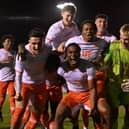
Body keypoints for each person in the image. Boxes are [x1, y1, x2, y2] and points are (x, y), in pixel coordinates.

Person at [65, 20, 110, 129]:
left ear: (95, 31)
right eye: (86, 29)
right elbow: (66, 55)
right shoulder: (73, 41)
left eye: (91, 29)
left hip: (93, 79)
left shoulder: (102, 42)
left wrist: (102, 66)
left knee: (95, 109)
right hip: (77, 79)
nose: (89, 31)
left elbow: (107, 57)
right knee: (74, 112)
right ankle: (76, 125)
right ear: (82, 31)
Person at [10, 28, 51, 129]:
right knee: (19, 112)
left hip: (41, 86)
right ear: (29, 41)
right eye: (33, 43)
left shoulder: (48, 48)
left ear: (43, 41)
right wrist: (18, 92)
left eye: (39, 43)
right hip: (25, 85)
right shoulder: (22, 53)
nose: (36, 47)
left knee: (35, 116)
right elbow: (18, 75)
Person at [55, 43, 96, 129]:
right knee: (58, 116)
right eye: (70, 52)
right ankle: (75, 123)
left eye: (76, 52)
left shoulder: (88, 66)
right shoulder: (61, 68)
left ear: (80, 53)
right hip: (72, 95)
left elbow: (92, 88)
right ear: (66, 54)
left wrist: (93, 105)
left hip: (87, 94)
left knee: (99, 114)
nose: (73, 55)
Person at [104, 24, 129, 129]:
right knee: (113, 112)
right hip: (113, 84)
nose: (124, 42)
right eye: (123, 38)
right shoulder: (113, 45)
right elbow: (105, 63)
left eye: (128, 40)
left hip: (127, 84)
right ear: (120, 35)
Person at [0, 34, 15, 122]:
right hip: (2, 79)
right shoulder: (0, 52)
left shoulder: (14, 52)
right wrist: (3, 60)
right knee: (1, 97)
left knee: (12, 96)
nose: (10, 43)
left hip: (12, 79)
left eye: (11, 42)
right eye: (8, 41)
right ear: (3, 43)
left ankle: (14, 117)